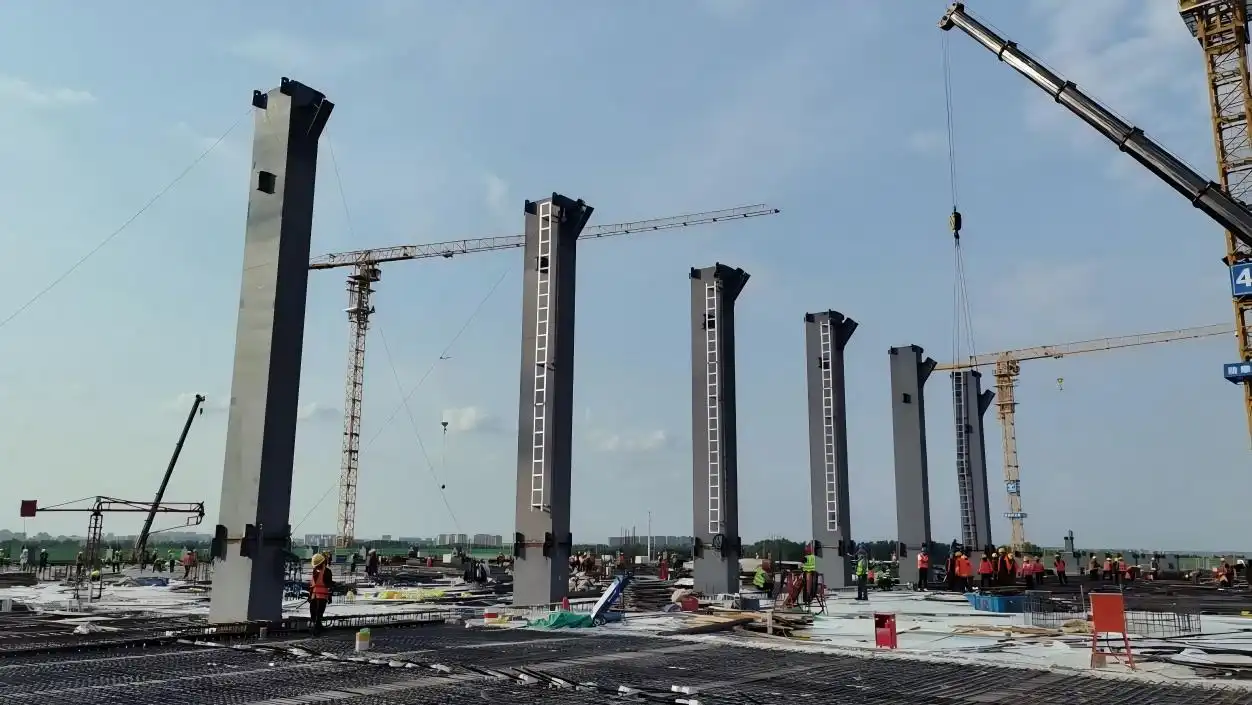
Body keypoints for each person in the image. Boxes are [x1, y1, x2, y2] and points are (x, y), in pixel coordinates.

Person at [309, 552, 333, 634]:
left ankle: (317, 627)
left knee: (315, 613)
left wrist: (310, 595)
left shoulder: (315, 571)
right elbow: (329, 585)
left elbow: (312, 585)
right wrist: (330, 596)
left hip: (315, 595)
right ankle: (317, 629)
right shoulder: (327, 571)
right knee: (318, 613)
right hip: (321, 596)